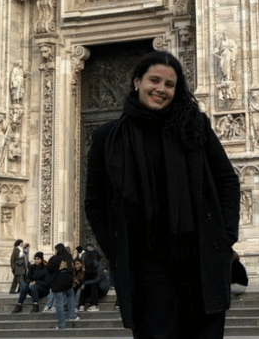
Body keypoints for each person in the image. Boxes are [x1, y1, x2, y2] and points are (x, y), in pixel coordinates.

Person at [84, 51, 241, 339]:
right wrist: (116, 252)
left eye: (170, 85)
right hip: (147, 267)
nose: (161, 89)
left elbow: (227, 181)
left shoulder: (194, 125)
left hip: (200, 262)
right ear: (137, 82)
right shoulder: (108, 137)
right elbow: (94, 203)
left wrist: (225, 236)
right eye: (154, 80)